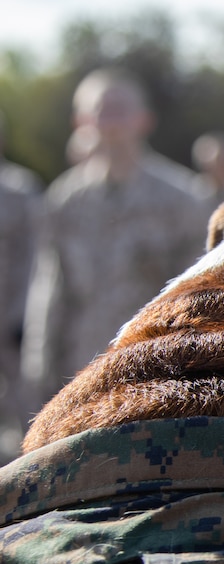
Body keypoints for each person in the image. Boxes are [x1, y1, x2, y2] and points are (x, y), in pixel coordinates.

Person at [20, 67, 211, 409]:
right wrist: (37, 372)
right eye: (100, 110)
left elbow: (200, 297)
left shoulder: (181, 200)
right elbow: (50, 291)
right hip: (80, 374)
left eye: (120, 109)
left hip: (155, 374)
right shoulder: (65, 200)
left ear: (144, 119)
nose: (110, 120)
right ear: (80, 122)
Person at [0, 112, 42, 463]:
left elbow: (36, 254)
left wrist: (22, 314)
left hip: (11, 316)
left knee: (23, 406)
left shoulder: (19, 188)